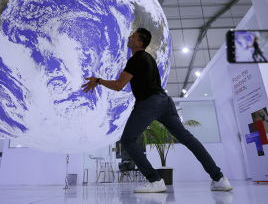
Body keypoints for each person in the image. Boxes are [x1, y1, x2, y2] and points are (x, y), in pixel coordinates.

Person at [82, 28, 232, 193]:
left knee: (127, 140)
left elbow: (119, 85)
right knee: (188, 139)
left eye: (133, 36)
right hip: (165, 102)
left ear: (139, 43)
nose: (129, 37)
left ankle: (155, 180)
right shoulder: (149, 59)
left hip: (149, 103)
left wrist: (98, 81)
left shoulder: (135, 60)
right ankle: (219, 178)